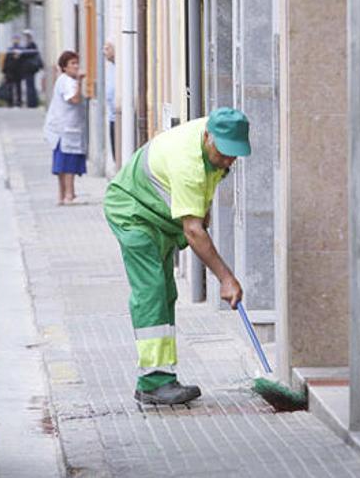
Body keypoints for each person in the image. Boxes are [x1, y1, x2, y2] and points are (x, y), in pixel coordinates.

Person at [103, 107, 252, 405]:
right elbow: (193, 231)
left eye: (234, 155)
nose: (227, 160)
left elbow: (201, 200)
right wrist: (226, 278)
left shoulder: (211, 141)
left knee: (166, 292)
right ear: (208, 136)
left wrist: (203, 209)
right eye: (223, 153)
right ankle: (153, 382)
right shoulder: (189, 162)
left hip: (157, 216)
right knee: (152, 291)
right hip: (133, 212)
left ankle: (161, 377)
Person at [44, 51, 87, 205]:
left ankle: (63, 195)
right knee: (67, 165)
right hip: (65, 129)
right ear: (64, 67)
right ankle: (68, 195)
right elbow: (74, 99)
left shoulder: (63, 80)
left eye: (77, 63)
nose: (76, 66)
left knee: (62, 165)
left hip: (63, 129)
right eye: (72, 64)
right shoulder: (68, 81)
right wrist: (80, 82)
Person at [21, 30, 43, 108]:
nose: (26, 38)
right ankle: (31, 102)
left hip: (30, 68)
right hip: (28, 69)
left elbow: (27, 55)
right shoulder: (27, 45)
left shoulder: (32, 45)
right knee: (29, 85)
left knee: (31, 86)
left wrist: (21, 54)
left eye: (27, 36)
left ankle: (32, 103)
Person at [103, 42, 116, 161]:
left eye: (107, 48)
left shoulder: (120, 67)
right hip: (112, 117)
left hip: (118, 116)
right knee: (115, 154)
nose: (104, 52)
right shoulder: (110, 67)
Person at [2, 34, 23, 107]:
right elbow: (6, 60)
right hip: (10, 71)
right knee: (10, 88)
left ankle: (19, 102)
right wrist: (4, 71)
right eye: (14, 39)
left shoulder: (21, 49)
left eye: (17, 39)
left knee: (18, 88)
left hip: (18, 71)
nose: (15, 40)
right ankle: (10, 102)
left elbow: (22, 60)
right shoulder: (10, 49)